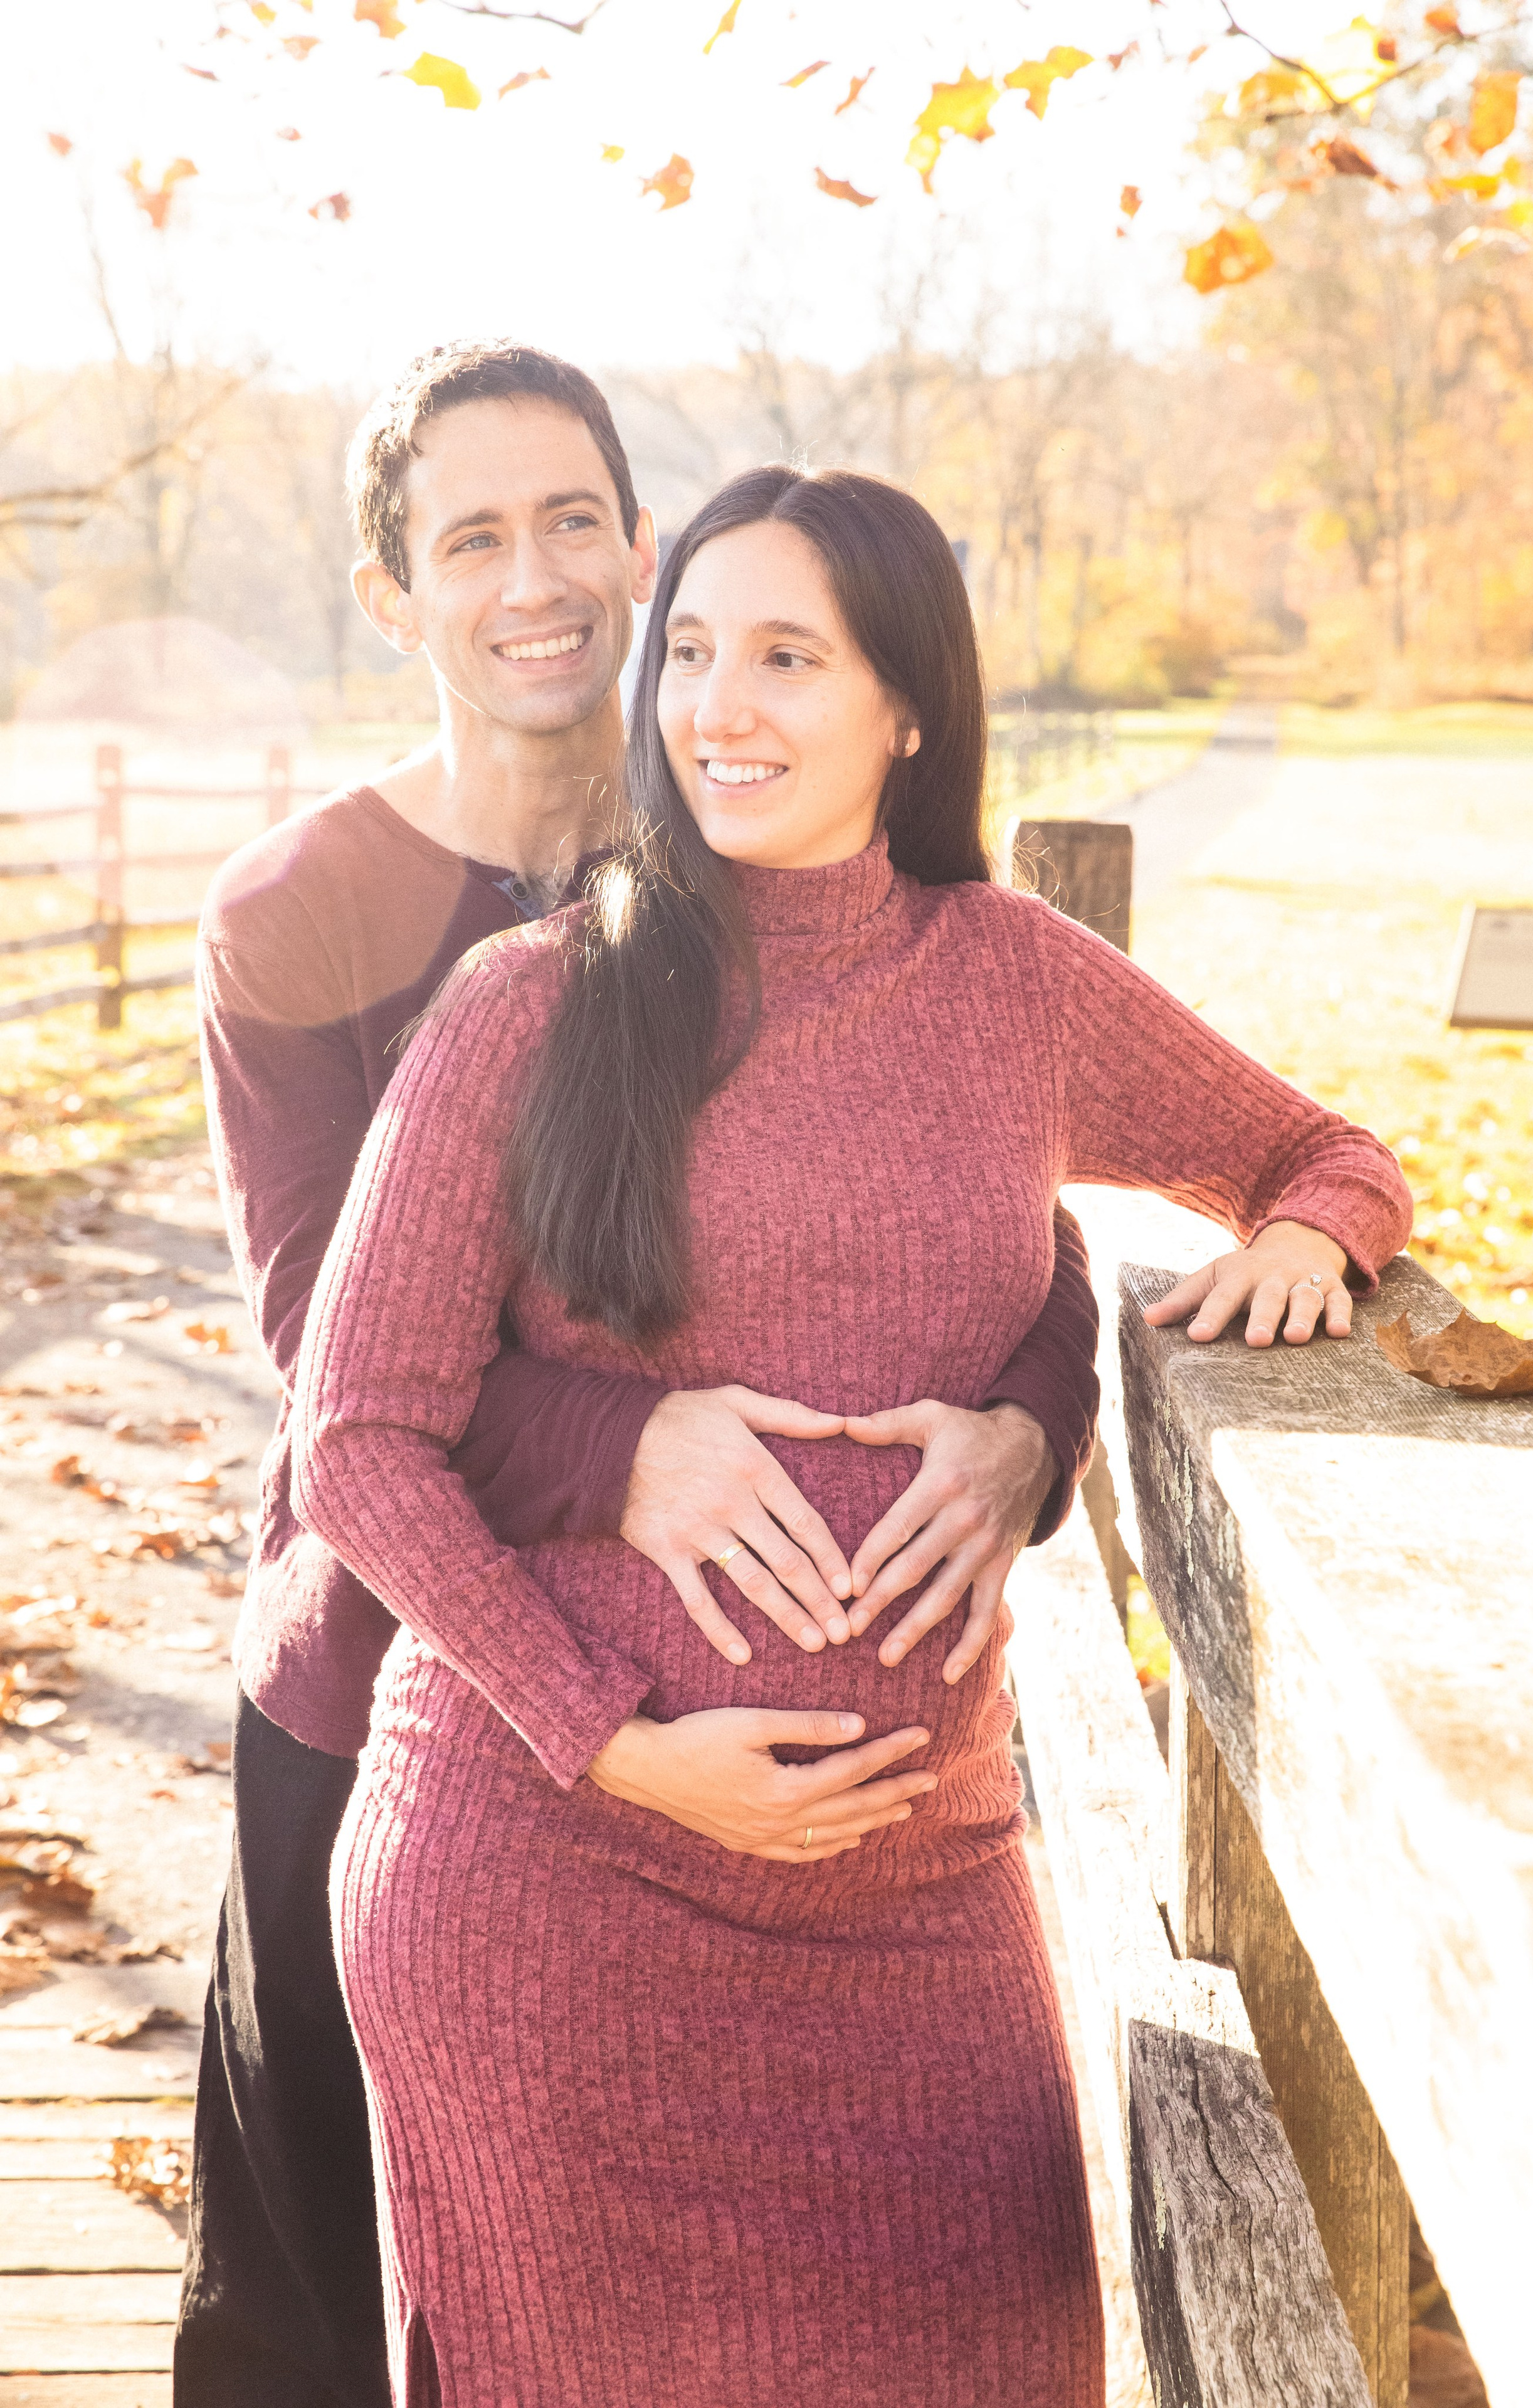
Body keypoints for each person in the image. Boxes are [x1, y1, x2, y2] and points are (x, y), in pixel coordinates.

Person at [292, 462, 1414, 2405]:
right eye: (692, 652)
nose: (718, 707)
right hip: (545, 1899)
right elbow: (355, 1443)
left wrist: (1306, 1245)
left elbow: (1323, 1155)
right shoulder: (530, 1005)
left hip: (916, 1912)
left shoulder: (1015, 982)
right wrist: (616, 1742)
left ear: (907, 705)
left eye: (788, 659)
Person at [177, 345, 1104, 2406]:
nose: (535, 579)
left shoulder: (775, 830)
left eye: (574, 522)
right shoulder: (303, 917)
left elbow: (1008, 1228)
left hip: (786, 1779)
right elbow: (340, 1357)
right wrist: (631, 1441)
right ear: (392, 594)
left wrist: (1030, 1425)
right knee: (335, 2314)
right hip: (399, 1685)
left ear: (642, 547)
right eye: (470, 540)